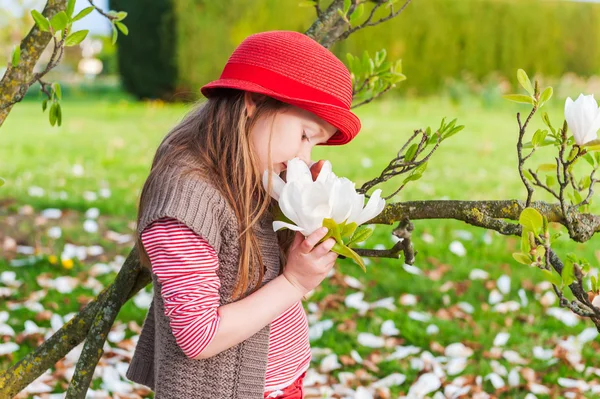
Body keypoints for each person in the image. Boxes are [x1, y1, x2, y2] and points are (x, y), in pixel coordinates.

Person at [125, 30, 362, 399]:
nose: (305, 157)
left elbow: (258, 268)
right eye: (304, 135)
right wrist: (296, 283)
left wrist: (304, 210)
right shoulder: (184, 199)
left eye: (314, 144)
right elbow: (198, 336)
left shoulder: (251, 167)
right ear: (253, 101)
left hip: (283, 380)